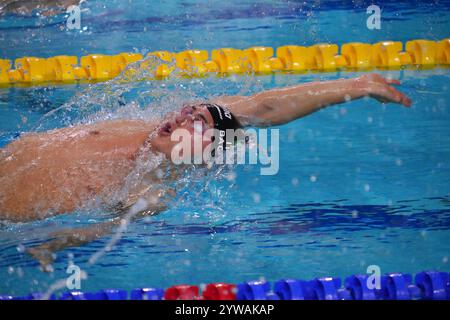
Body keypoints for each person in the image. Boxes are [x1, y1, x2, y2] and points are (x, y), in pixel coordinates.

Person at [0, 73, 411, 267]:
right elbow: (262, 105)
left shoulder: (149, 189)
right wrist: (355, 86)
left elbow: (103, 231)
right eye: (188, 112)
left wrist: (52, 246)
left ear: (203, 154)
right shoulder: (141, 126)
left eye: (195, 126)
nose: (180, 119)